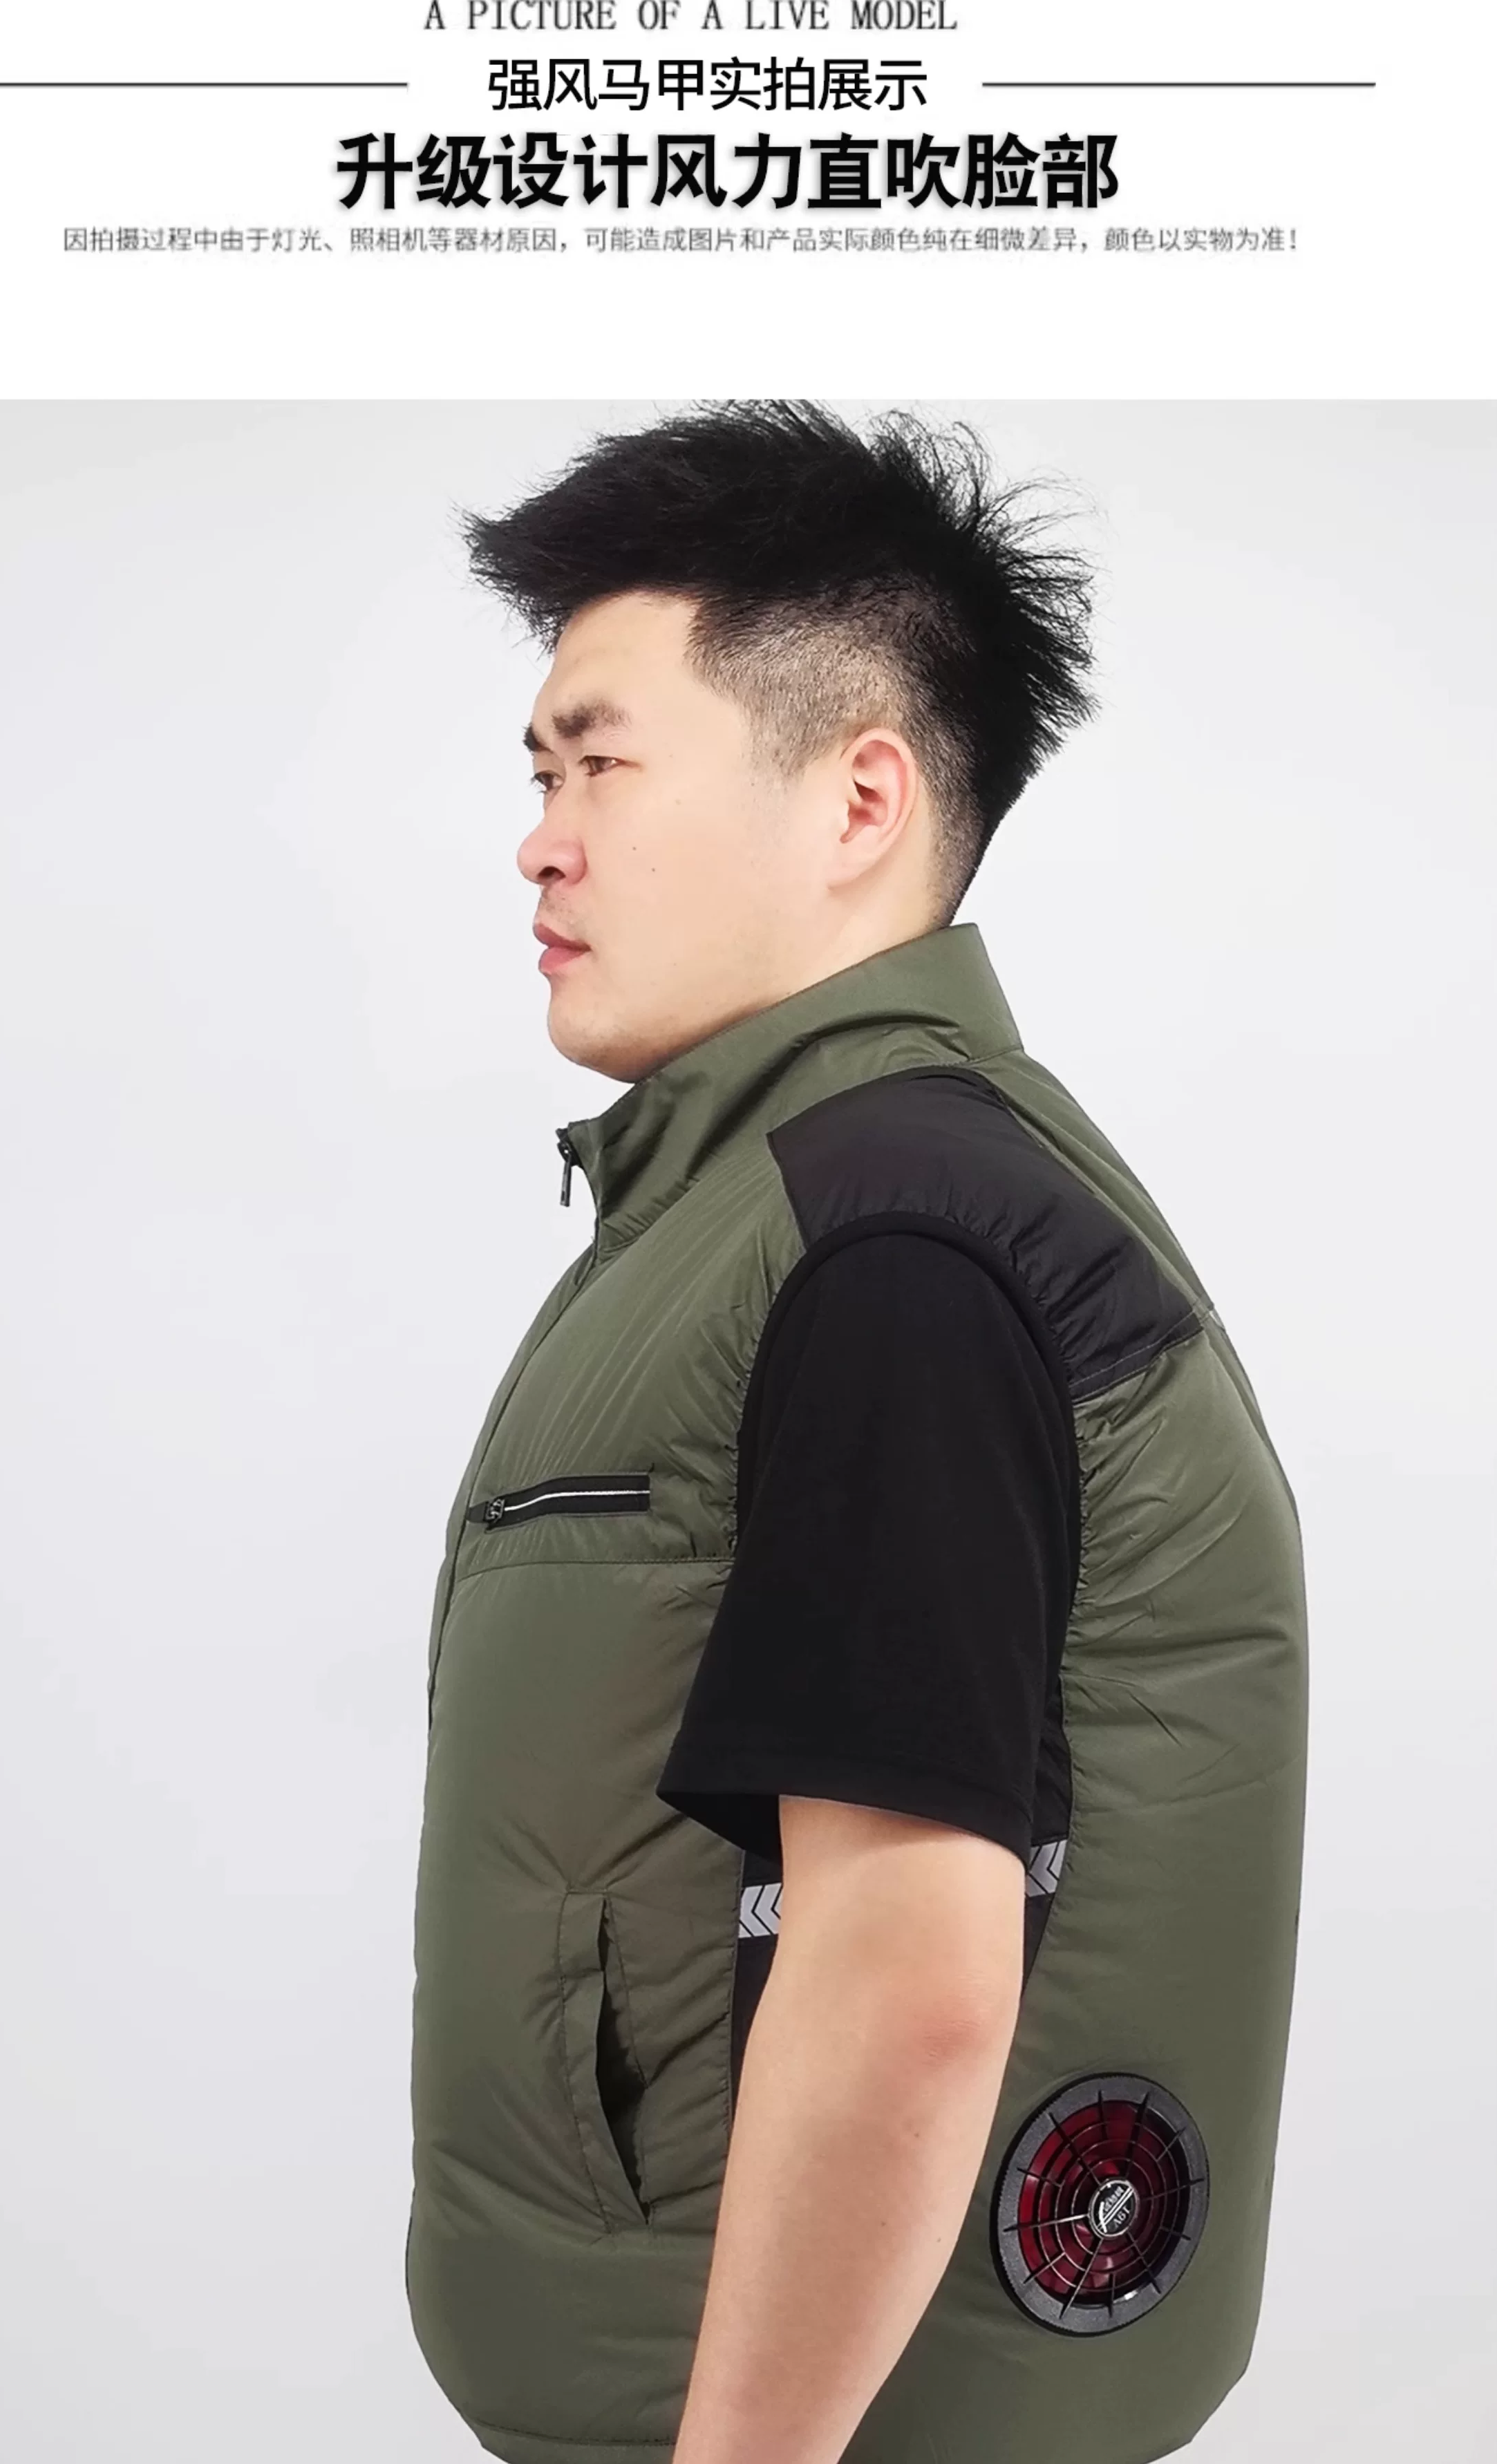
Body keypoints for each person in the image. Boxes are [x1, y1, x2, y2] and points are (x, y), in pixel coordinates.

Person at [405, 402, 1308, 2464]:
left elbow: (909, 1973)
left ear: (859, 800)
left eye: (602, 764)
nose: (542, 841)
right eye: (538, 777)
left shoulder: (891, 1243)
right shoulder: (781, 1212)